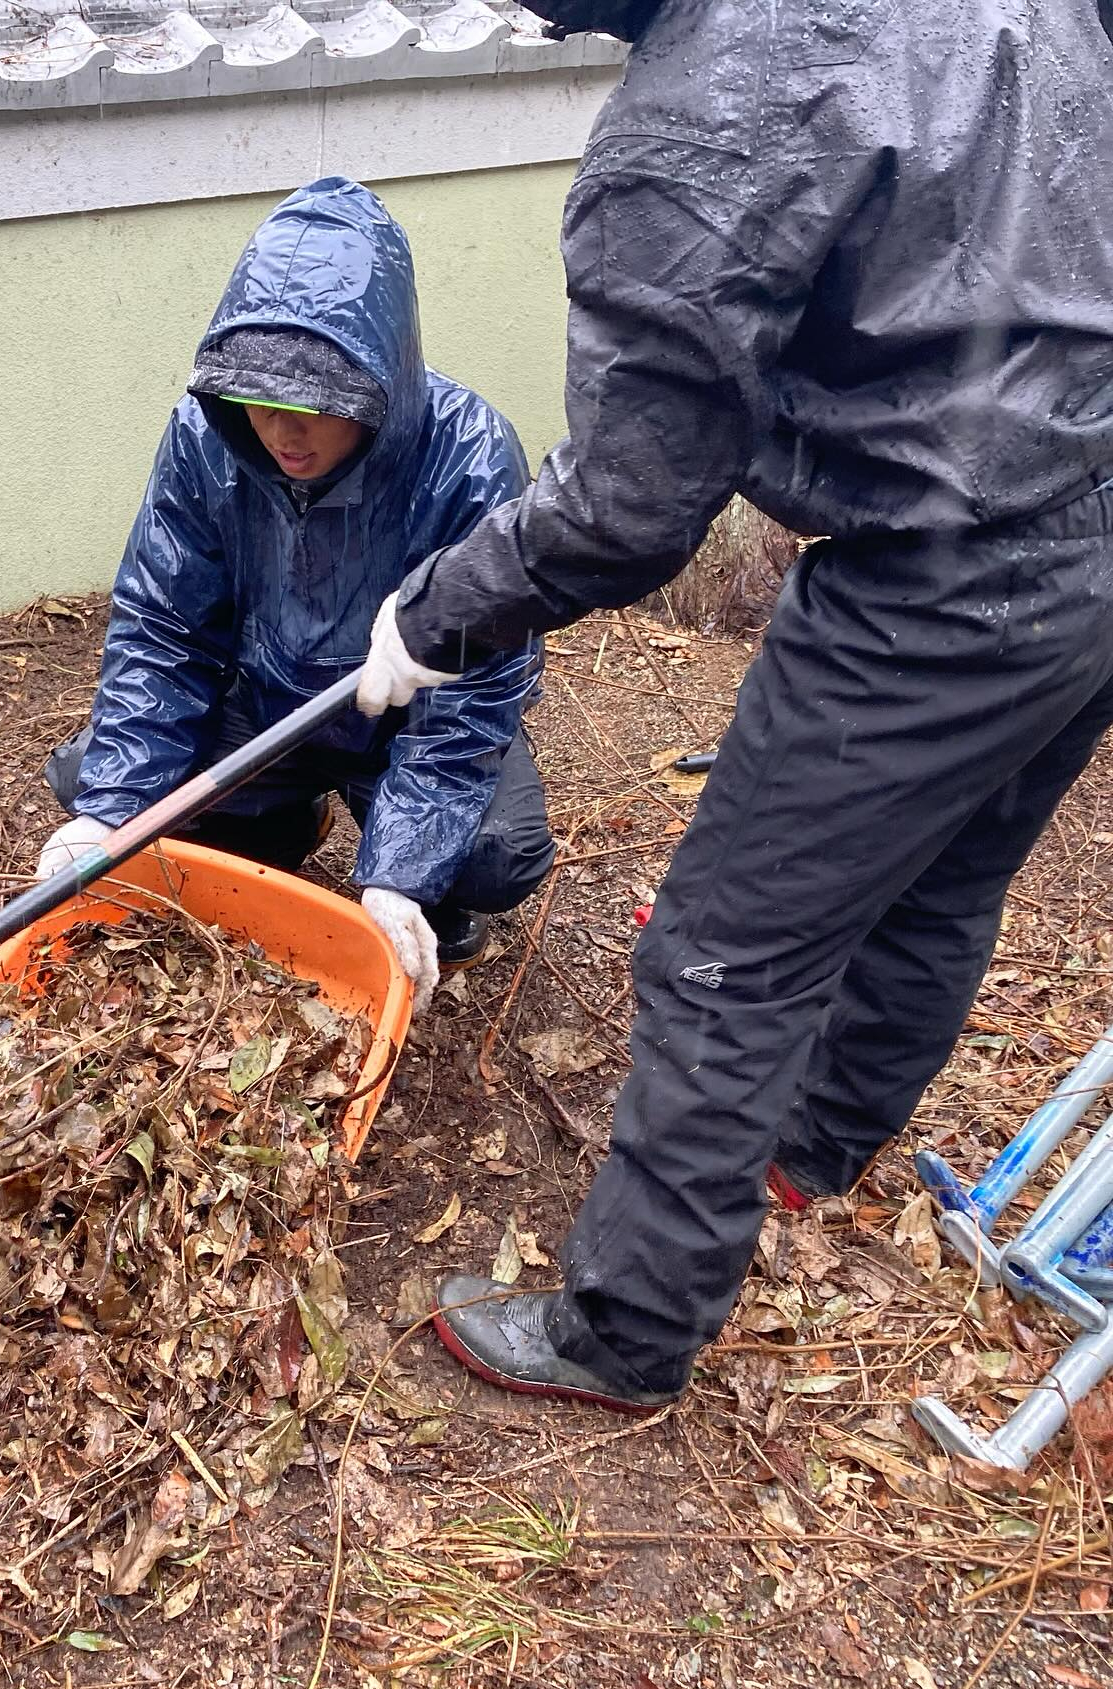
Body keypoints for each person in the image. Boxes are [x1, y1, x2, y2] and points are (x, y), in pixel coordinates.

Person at [356, 0, 1113, 1410]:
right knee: (945, 874)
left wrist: (434, 613)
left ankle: (628, 1328)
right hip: (1092, 521)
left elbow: (631, 509)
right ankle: (810, 1141)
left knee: (723, 950)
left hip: (935, 587)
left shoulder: (705, 129)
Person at [38, 178, 554, 1012]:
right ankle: (276, 823)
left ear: (379, 381)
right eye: (261, 400)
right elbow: (164, 627)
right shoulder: (203, 442)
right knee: (91, 783)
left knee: (493, 853)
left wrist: (400, 878)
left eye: (315, 405)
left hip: (405, 721)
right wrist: (111, 814)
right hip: (269, 704)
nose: (283, 432)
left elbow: (476, 691)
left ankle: (426, 904)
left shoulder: (469, 454)